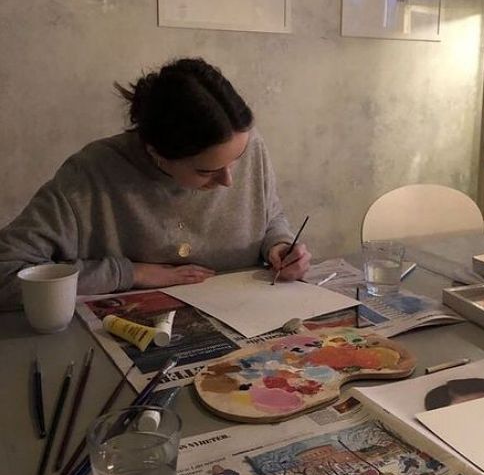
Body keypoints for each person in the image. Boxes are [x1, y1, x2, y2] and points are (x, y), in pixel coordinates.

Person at [0, 57, 310, 309]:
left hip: (248, 319)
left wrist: (280, 246)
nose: (229, 180)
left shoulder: (249, 145)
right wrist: (130, 273)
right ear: (156, 154)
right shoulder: (90, 174)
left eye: (236, 160)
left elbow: (268, 216)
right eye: (206, 171)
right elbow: (7, 273)